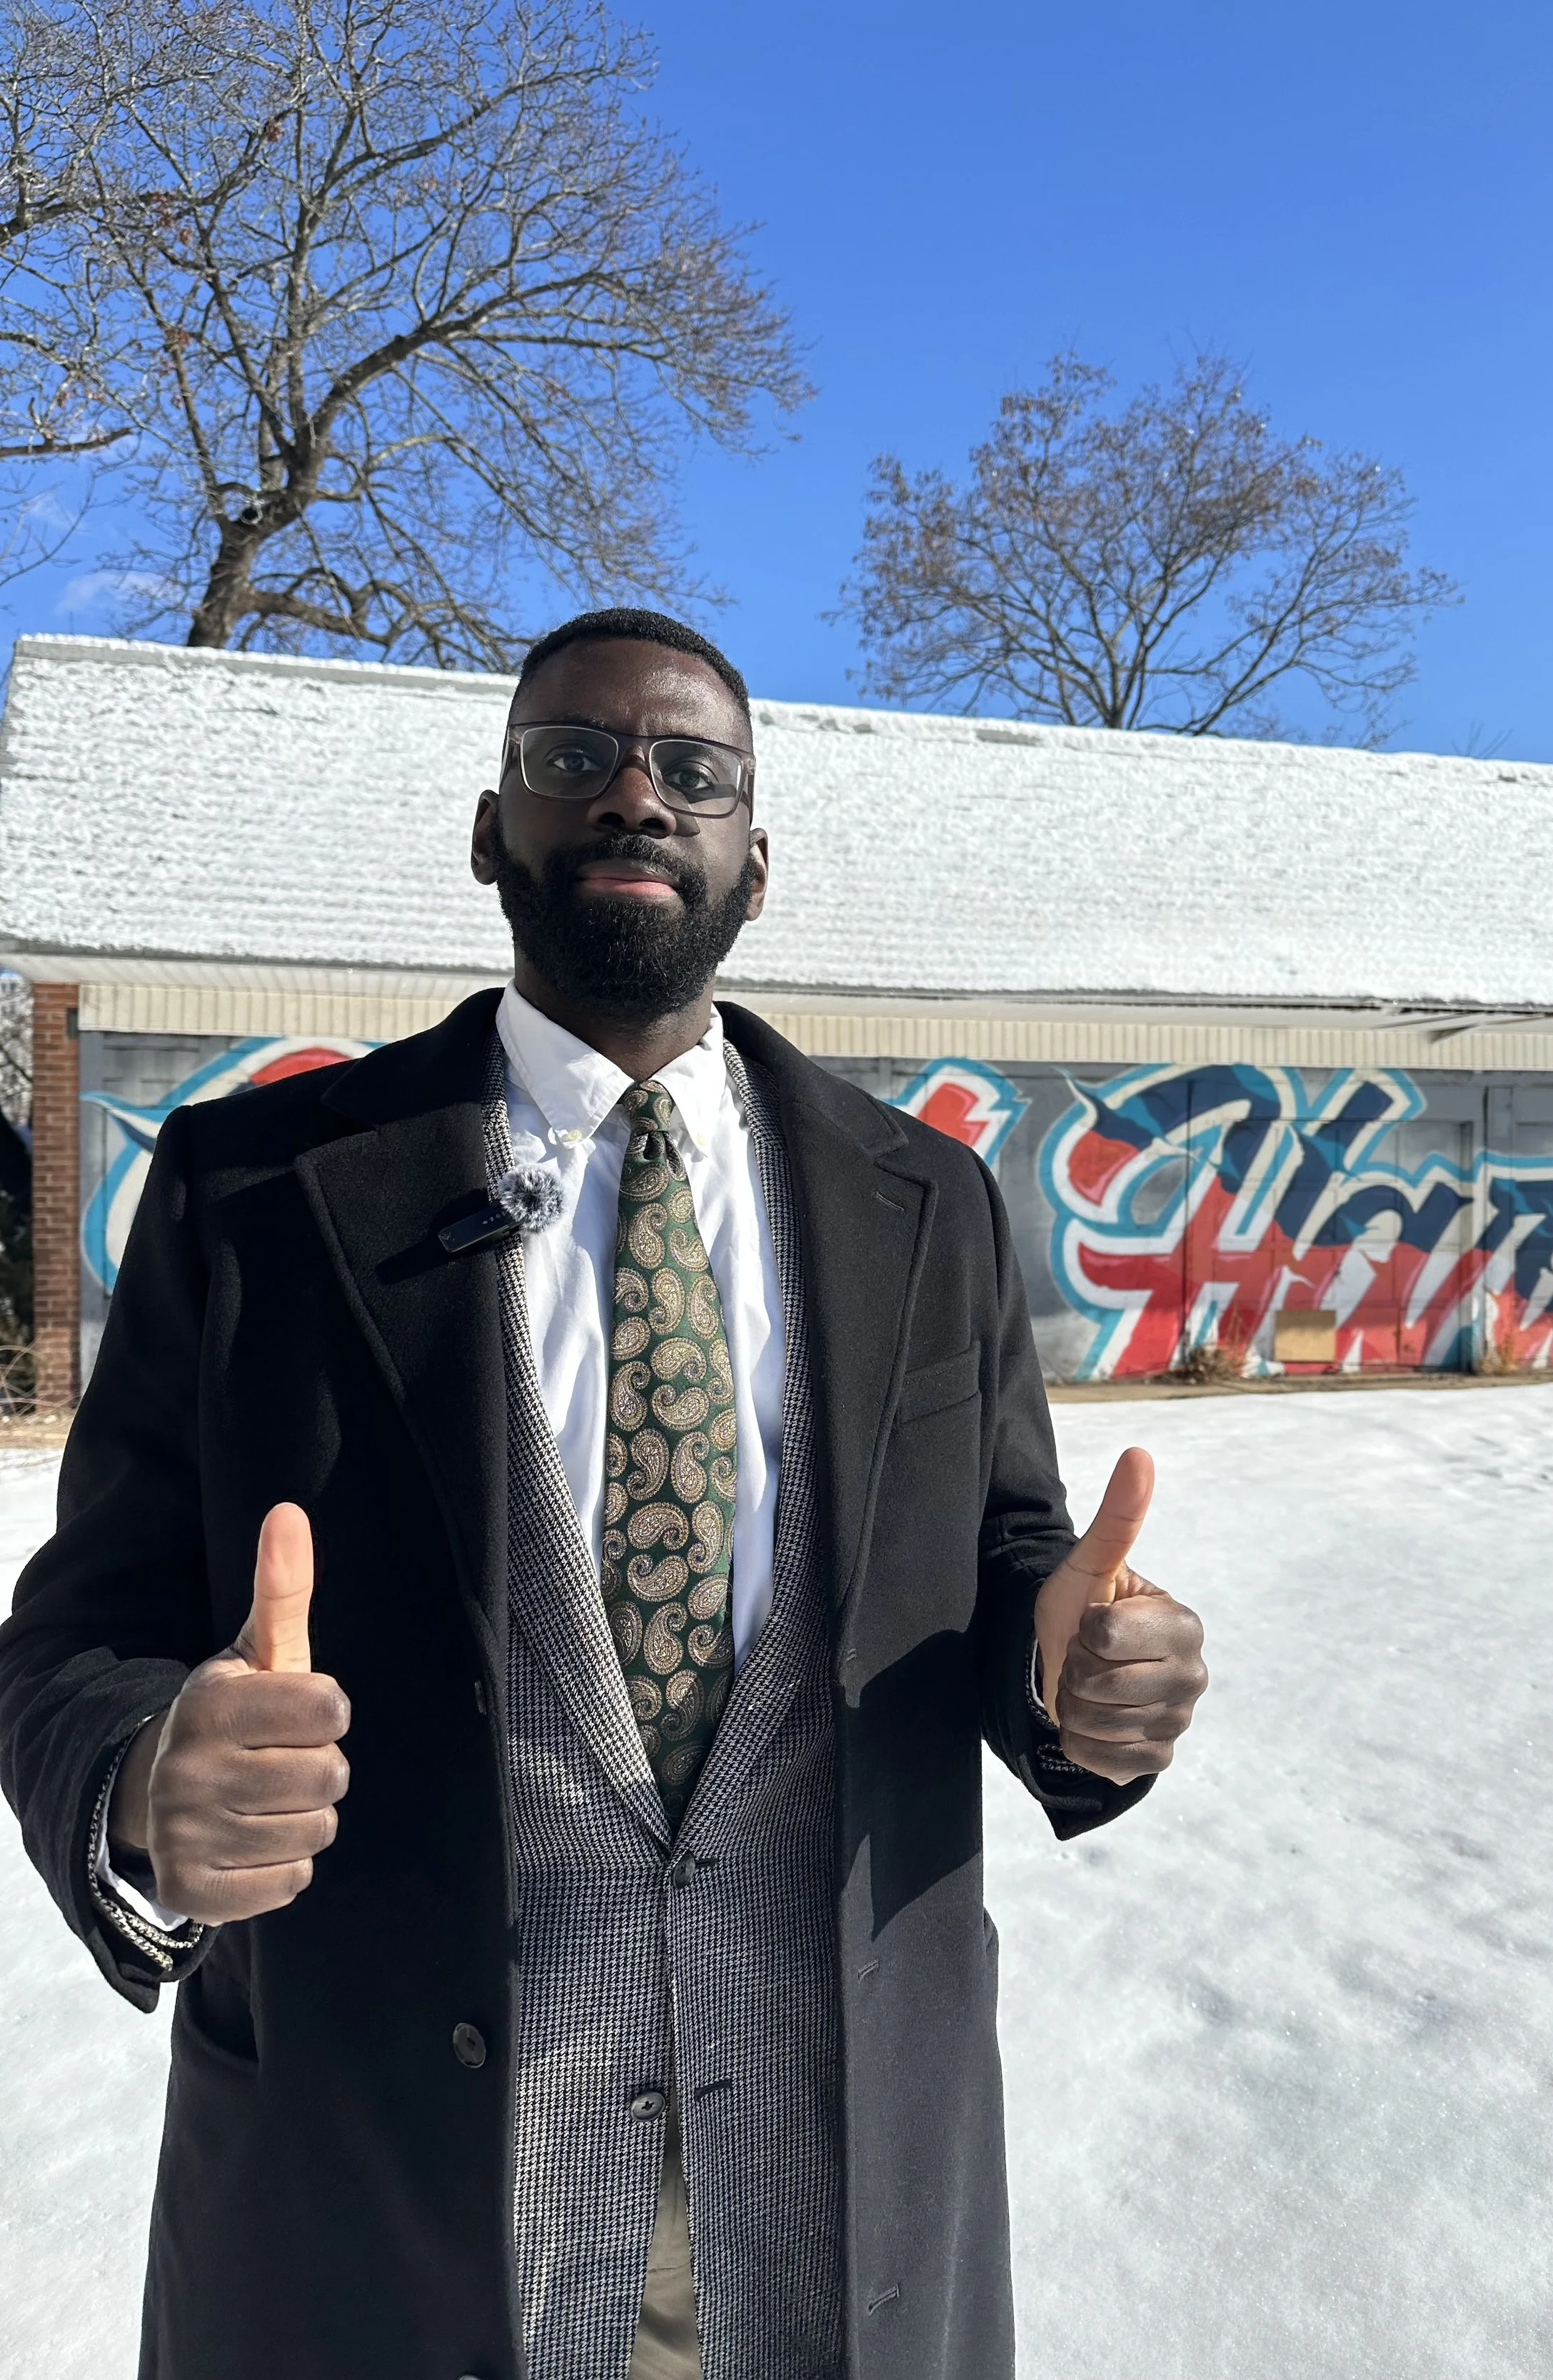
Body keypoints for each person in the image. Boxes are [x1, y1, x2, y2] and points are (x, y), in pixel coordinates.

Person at [0, 608, 1207, 2380]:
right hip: (390, 2214)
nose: (637, 796)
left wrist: (1065, 1665)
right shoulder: (256, 1190)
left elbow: (1008, 1551)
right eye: (575, 757)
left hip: (841, 2194)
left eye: (694, 772)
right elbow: (79, 1636)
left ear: (754, 863)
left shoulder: (926, 1201)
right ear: (490, 829)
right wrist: (138, 1779)